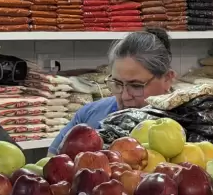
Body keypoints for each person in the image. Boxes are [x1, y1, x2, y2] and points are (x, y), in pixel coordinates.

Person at [48, 29, 176, 155]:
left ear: (167, 79)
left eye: (136, 86)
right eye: (117, 83)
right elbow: (53, 163)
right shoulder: (89, 116)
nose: (125, 96)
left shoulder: (187, 125)